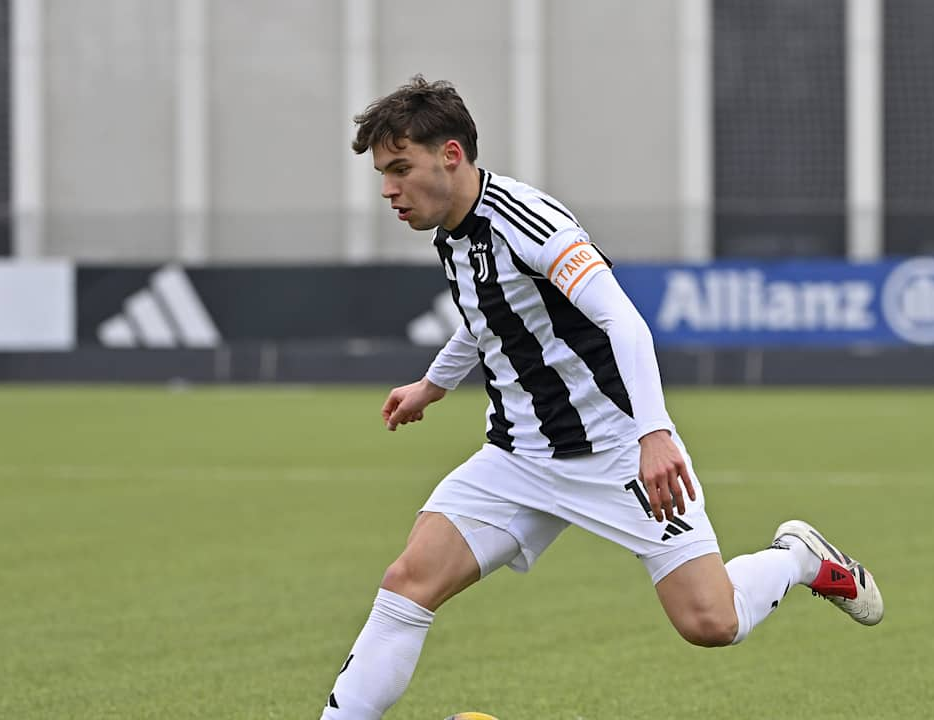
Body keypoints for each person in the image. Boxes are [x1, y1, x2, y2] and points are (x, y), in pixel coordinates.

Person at [319, 76, 883, 720]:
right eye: (382, 175)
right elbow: (488, 315)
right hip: (517, 458)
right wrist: (433, 384)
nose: (388, 190)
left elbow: (625, 322)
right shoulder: (451, 229)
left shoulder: (526, 221)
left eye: (400, 169)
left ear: (451, 155)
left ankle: (798, 561)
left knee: (710, 621)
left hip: (616, 450)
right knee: (406, 584)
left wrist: (654, 434)